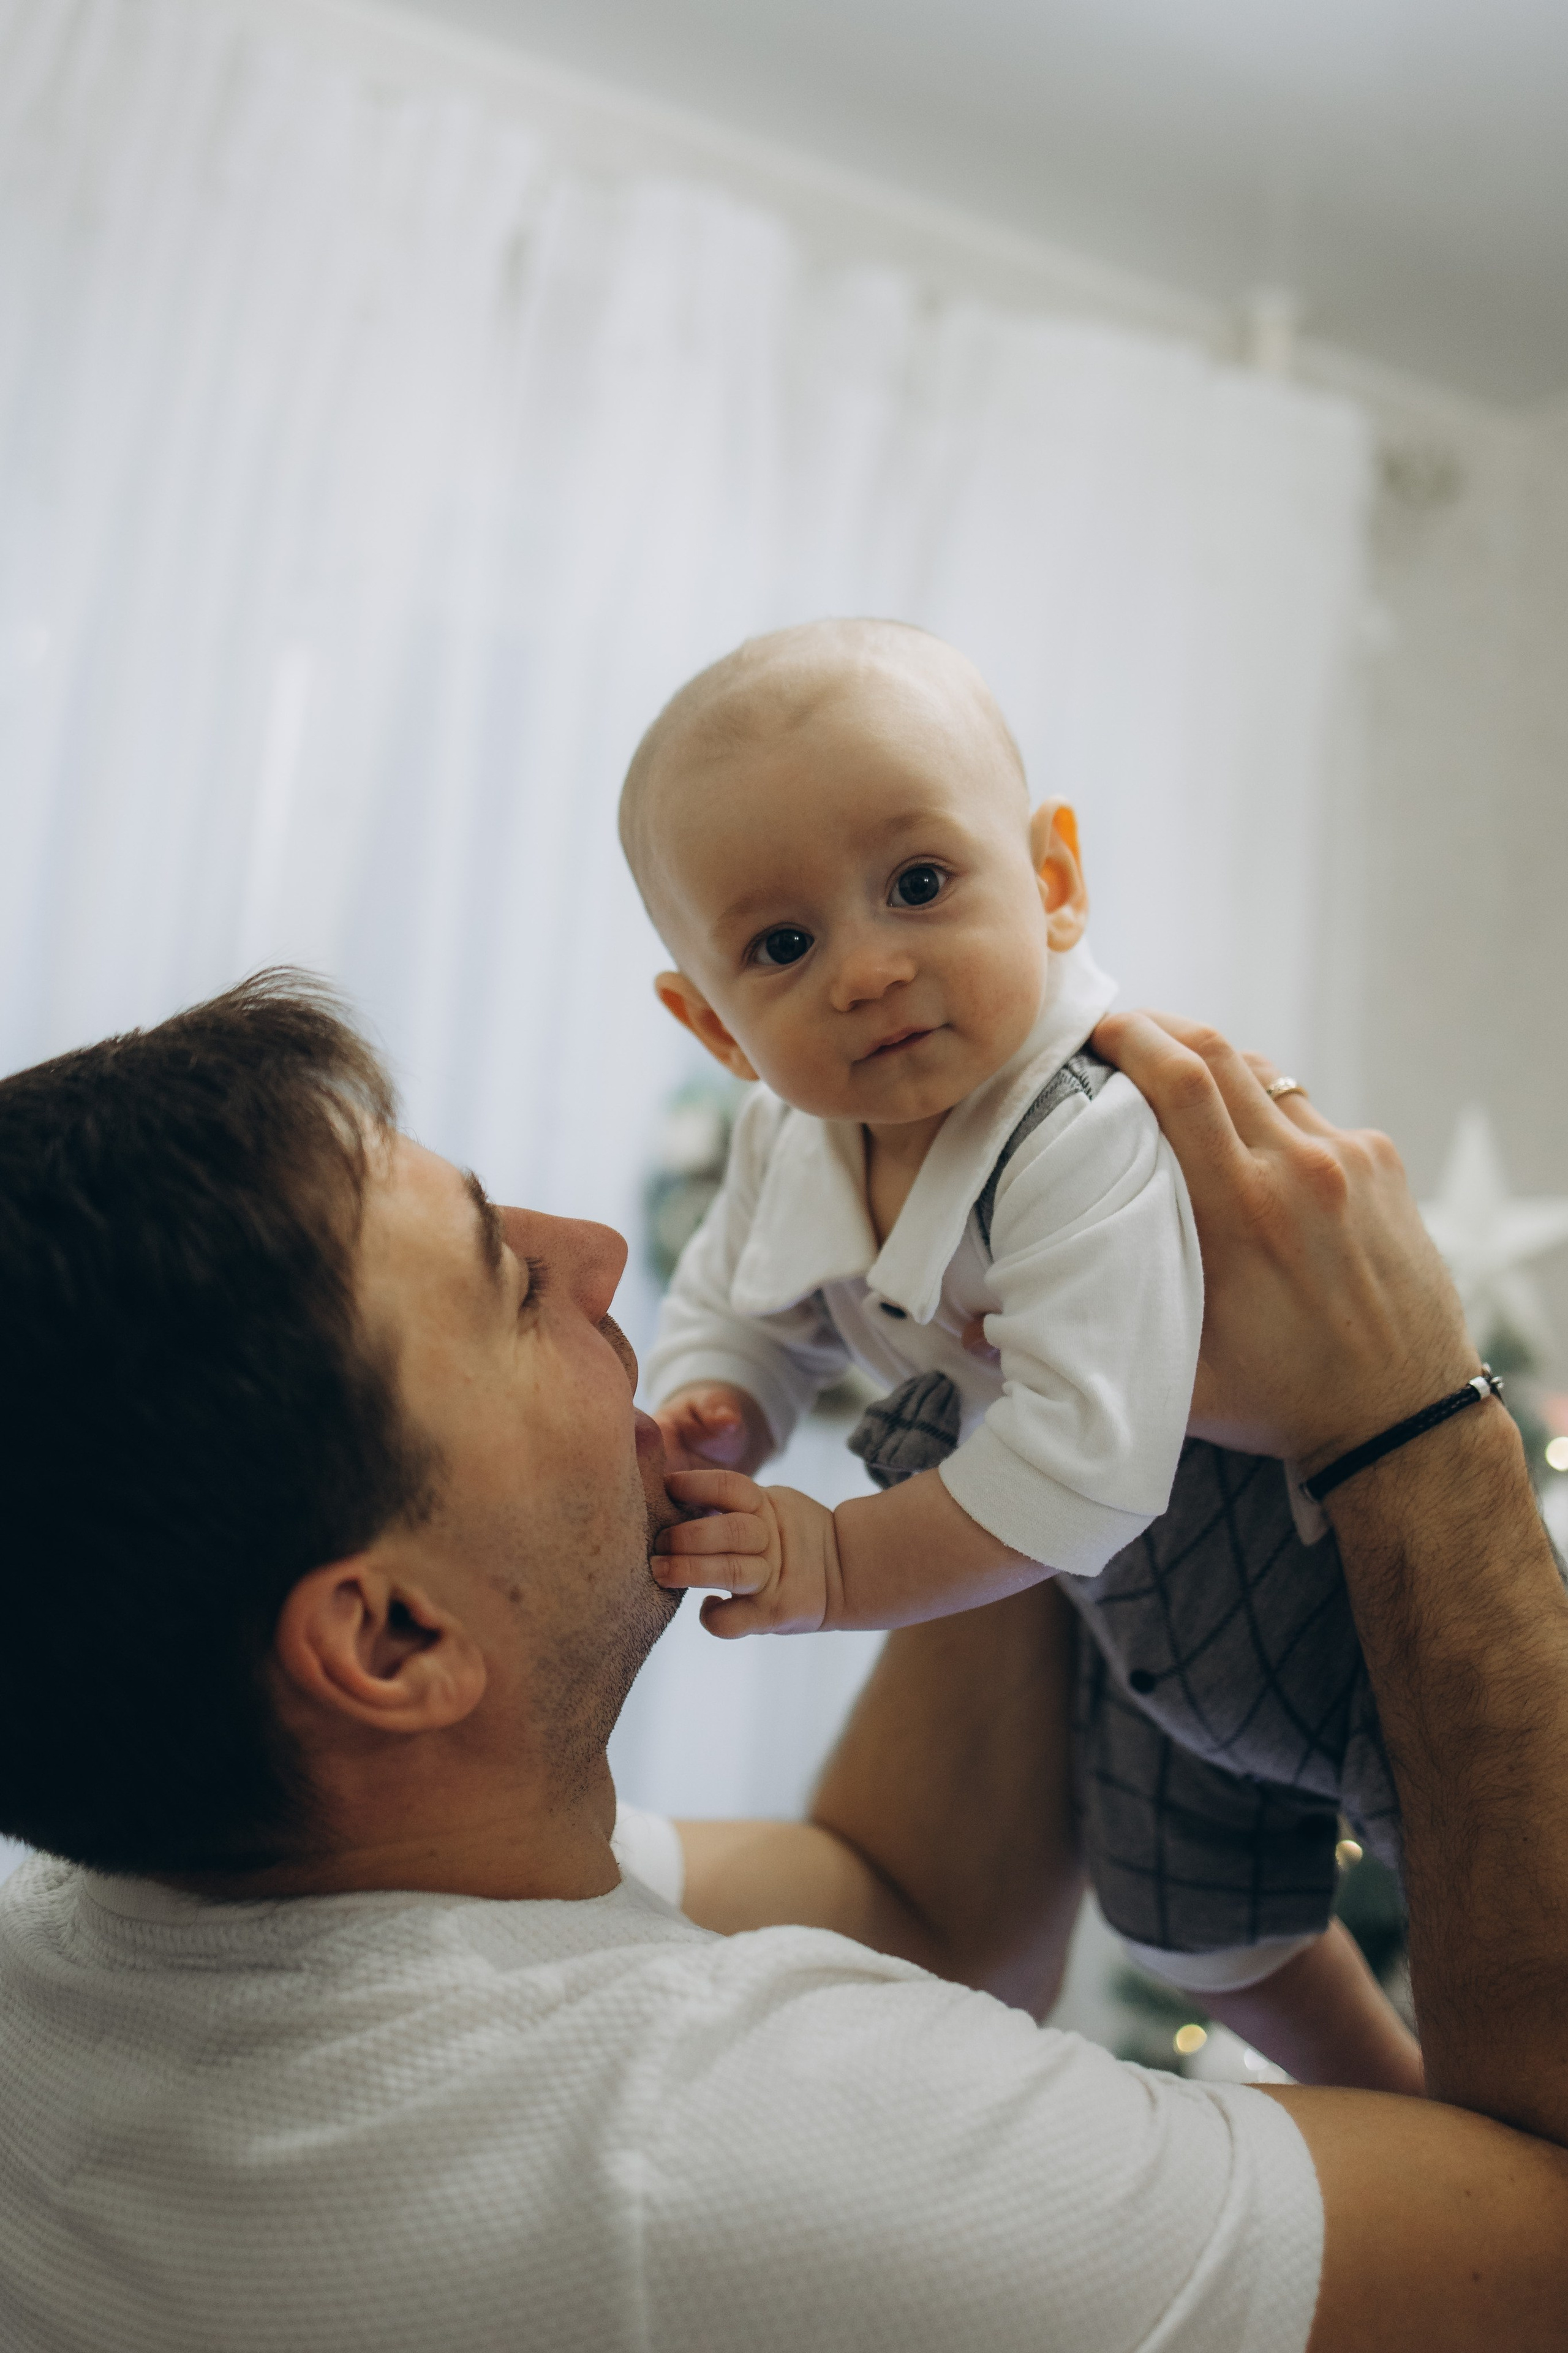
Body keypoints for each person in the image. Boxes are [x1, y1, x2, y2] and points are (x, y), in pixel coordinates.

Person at [1, 975, 1567, 2352]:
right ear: (392, 1639)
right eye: (507, 1282)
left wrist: (1027, 1315)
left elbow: (916, 1904)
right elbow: (1540, 2254)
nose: (600, 1254)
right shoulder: (712, 2156)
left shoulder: (104, 1941)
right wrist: (1410, 1410)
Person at [620, 616, 1417, 2091]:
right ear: (713, 1025)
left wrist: (834, 1561)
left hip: (1323, 1579)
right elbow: (738, 1301)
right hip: (1128, 1622)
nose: (867, 970)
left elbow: (1079, 1467)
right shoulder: (786, 1133)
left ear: (1049, 881)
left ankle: (1514, 2146)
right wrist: (714, 1406)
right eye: (782, 946)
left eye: (919, 884)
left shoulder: (1080, 1128)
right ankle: (1403, 2101)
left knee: (1487, 1857)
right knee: (1192, 1931)